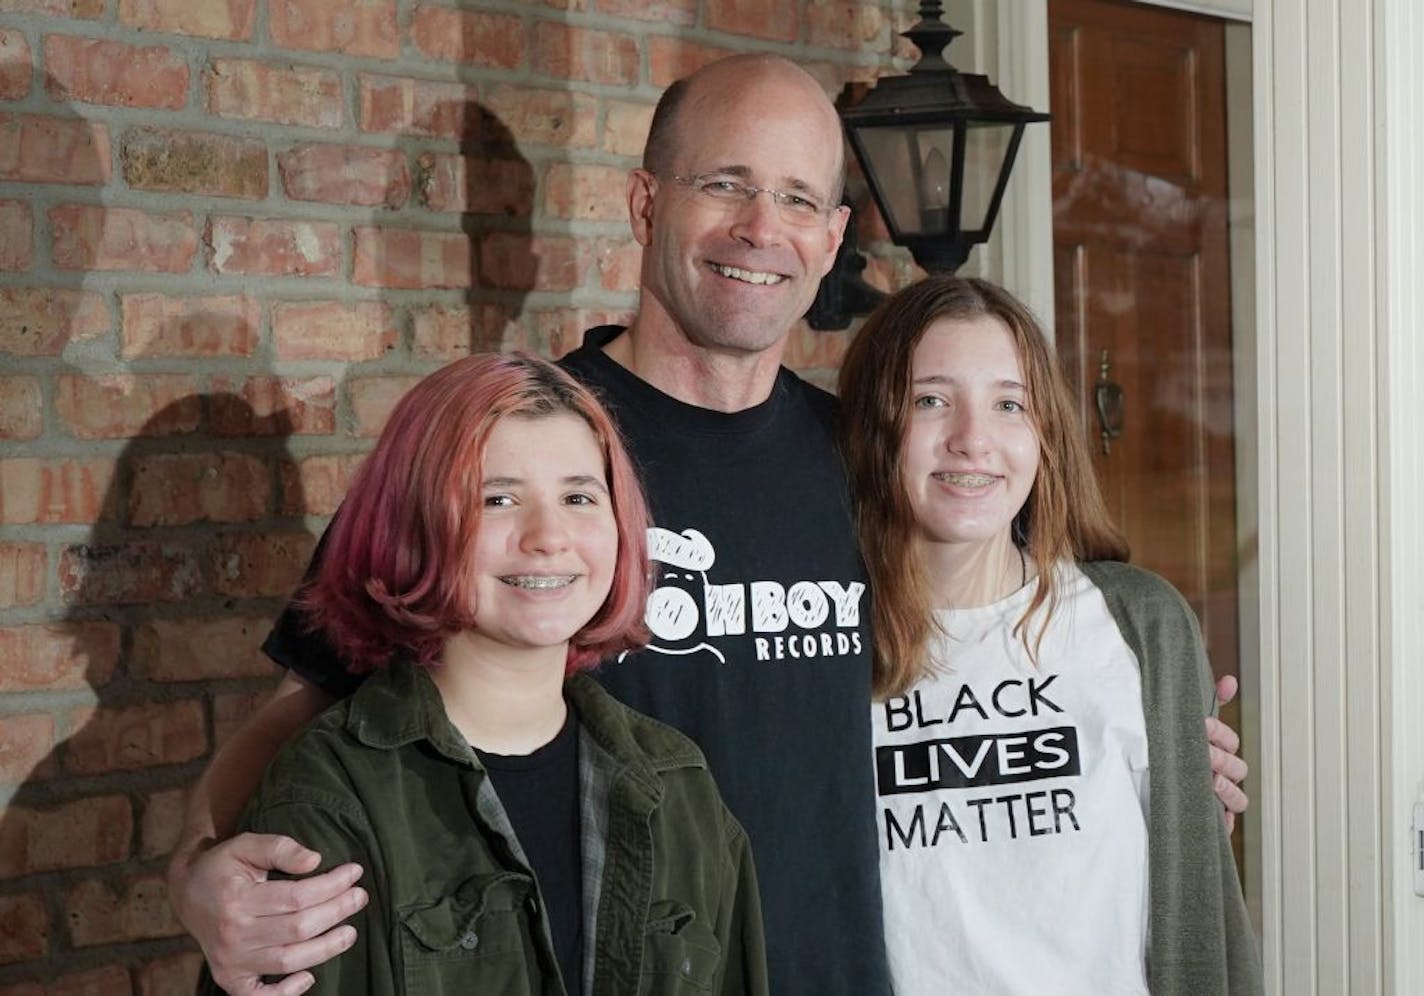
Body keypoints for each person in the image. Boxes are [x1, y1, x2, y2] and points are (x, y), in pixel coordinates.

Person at [167, 54, 1247, 996]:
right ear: (645, 204)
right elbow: (309, 704)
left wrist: (1148, 748)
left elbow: (986, 661)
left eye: (793, 200)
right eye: (722, 184)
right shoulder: (520, 448)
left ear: (829, 241)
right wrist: (203, 868)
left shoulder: (865, 469)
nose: (757, 230)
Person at [196, 352, 767, 995]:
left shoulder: (681, 786)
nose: (549, 536)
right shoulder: (331, 800)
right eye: (497, 499)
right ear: (416, 525)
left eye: (579, 496)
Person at [838, 275, 1261, 994]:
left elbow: (1191, 889)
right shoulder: (817, 639)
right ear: (877, 426)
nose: (973, 440)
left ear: (1046, 434)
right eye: (931, 401)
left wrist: (1192, 814)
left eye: (1010, 404)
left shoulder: (1140, 624)